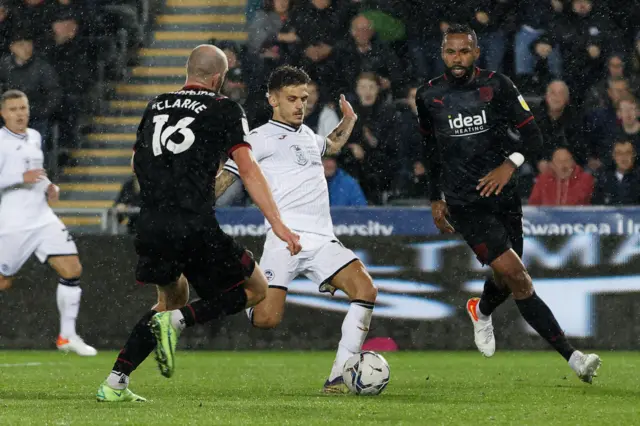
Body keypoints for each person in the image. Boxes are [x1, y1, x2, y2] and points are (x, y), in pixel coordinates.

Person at [96, 46, 301, 402]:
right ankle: (175, 324)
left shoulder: (156, 103)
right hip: (192, 223)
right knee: (256, 289)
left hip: (150, 223)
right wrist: (278, 224)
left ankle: (115, 382)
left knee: (170, 299)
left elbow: (136, 162)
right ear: (218, 79)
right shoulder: (224, 107)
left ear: (187, 71)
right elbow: (248, 169)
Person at [416, 24, 601, 383]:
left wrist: (508, 165)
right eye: (451, 52)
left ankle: (481, 308)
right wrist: (434, 197)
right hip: (465, 203)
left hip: (504, 196)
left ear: (476, 52)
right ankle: (574, 357)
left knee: (506, 275)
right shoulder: (428, 95)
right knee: (518, 276)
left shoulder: (497, 86)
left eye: (464, 51)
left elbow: (534, 136)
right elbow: (430, 150)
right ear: (442, 54)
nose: (457, 59)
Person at [216, 65, 377, 393]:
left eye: (304, 98)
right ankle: (239, 290)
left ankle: (338, 376)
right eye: (292, 99)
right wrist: (191, 205)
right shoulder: (256, 139)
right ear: (273, 99)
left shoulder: (307, 136)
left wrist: (349, 121)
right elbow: (226, 178)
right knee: (266, 320)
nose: (300, 105)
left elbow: (330, 146)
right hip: (283, 239)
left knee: (367, 290)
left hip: (322, 240)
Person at [0, 90, 96, 356]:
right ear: (3, 113)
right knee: (3, 282)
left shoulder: (34, 136)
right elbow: (17, 176)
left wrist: (49, 185)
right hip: (13, 222)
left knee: (72, 268)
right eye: (13, 109)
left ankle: (67, 336)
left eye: (23, 108)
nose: (20, 113)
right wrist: (20, 177)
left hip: (42, 218)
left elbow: (37, 174)